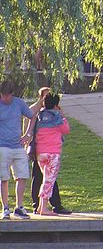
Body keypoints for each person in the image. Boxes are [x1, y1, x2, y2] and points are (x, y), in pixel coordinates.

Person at [0, 81, 48, 220]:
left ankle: (19, 207)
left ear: (12, 94)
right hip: (2, 146)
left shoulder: (19, 103)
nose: (5, 99)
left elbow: (32, 115)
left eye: (7, 96)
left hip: (17, 146)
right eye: (3, 96)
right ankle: (6, 208)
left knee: (21, 176)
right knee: (4, 178)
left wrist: (28, 134)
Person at [32, 94, 70, 216]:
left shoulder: (40, 116)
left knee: (45, 179)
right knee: (49, 181)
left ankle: (39, 206)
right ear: (56, 105)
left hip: (40, 152)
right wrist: (63, 116)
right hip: (53, 153)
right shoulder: (57, 117)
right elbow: (66, 130)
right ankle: (43, 208)